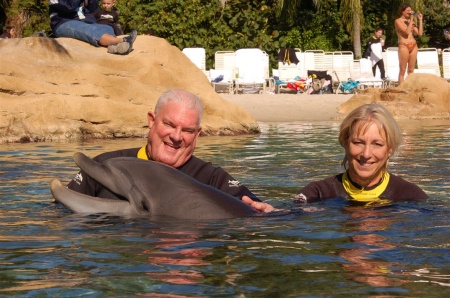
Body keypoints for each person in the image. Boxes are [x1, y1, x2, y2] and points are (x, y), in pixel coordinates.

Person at [67, 89, 274, 213]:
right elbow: (60, 211)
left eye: (187, 130)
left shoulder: (212, 179)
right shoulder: (108, 164)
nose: (176, 136)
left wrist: (267, 212)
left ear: (197, 134)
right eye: (169, 124)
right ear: (151, 120)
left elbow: (251, 209)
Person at [294, 103, 428, 205]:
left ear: (390, 150)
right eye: (358, 142)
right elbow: (291, 217)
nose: (366, 154)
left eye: (377, 144)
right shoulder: (319, 193)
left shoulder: (410, 196)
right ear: (345, 143)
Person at [49, 0, 136, 55]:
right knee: (89, 30)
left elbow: (93, 9)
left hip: (84, 21)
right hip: (62, 23)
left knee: (108, 28)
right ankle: (121, 41)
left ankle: (113, 47)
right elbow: (68, 7)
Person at [394, 3, 423, 85]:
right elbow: (406, 32)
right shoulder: (398, 21)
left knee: (411, 70)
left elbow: (420, 33)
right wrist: (411, 19)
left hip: (413, 46)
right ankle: (401, 90)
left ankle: (410, 89)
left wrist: (420, 20)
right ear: (402, 11)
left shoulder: (411, 21)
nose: (410, 12)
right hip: (404, 45)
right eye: (408, 11)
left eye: (410, 10)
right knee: (402, 70)